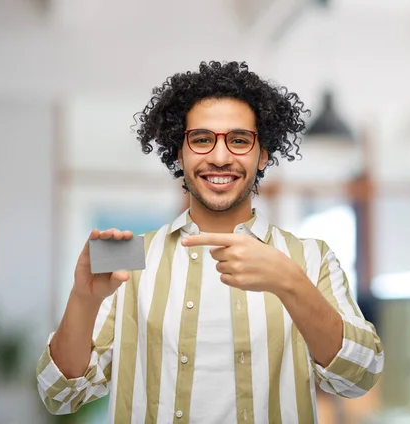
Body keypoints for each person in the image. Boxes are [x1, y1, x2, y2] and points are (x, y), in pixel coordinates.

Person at [36, 61, 384, 423]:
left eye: (238, 140)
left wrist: (290, 282)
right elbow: (60, 395)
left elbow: (360, 376)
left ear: (262, 153)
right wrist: (82, 299)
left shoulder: (311, 258)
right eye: (202, 140)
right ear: (179, 153)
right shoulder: (127, 254)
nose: (220, 157)